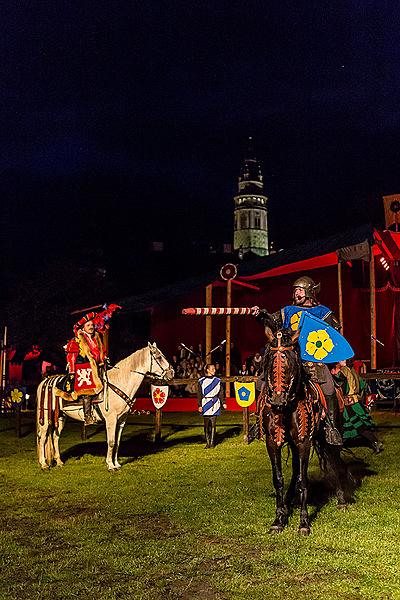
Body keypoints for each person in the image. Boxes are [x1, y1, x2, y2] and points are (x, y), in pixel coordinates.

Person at [252, 275, 343, 445]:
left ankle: (331, 427)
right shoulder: (287, 310)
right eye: (295, 290)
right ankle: (258, 421)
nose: (296, 293)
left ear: (309, 292)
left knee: (329, 387)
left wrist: (334, 359)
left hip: (312, 359)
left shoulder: (323, 312)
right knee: (260, 381)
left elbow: (334, 335)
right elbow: (271, 321)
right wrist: (261, 315)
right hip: (288, 357)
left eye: (300, 290)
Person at [56, 304, 120, 424]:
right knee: (88, 389)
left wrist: (104, 359)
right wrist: (72, 372)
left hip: (96, 367)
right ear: (83, 327)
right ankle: (87, 416)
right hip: (83, 368)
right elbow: (71, 357)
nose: (91, 327)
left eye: (92, 325)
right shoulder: (77, 340)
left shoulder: (96, 338)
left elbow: (101, 353)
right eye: (88, 325)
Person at [330, 360, 384, 453]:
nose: (345, 360)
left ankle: (375, 442)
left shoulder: (344, 371)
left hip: (350, 403)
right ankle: (338, 446)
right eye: (342, 359)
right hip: (345, 403)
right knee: (343, 425)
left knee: (359, 426)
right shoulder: (340, 371)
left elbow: (344, 387)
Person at [197, 364, 227, 448]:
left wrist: (223, 402)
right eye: (212, 369)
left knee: (213, 424)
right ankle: (207, 442)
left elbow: (221, 392)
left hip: (214, 403)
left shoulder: (217, 380)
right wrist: (199, 405)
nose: (214, 370)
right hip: (205, 403)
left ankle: (212, 443)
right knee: (206, 425)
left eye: (214, 368)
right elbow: (199, 394)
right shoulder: (201, 381)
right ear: (207, 370)